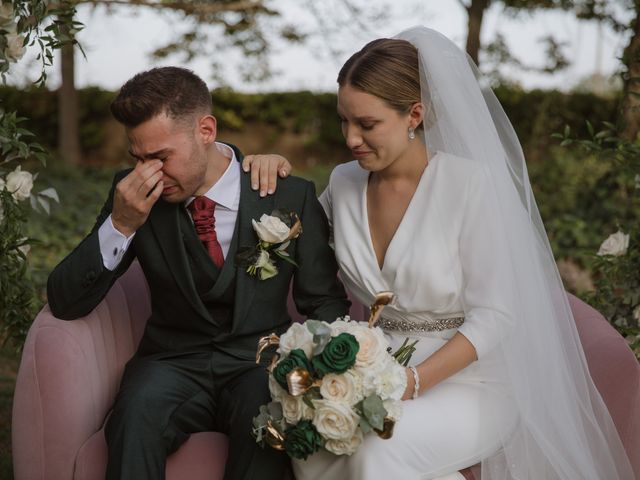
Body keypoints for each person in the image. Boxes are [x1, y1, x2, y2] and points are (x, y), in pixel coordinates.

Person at [244, 27, 635, 480]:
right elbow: (298, 239)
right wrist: (275, 175)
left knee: (376, 449)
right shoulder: (344, 184)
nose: (351, 138)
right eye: (343, 121)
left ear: (414, 115)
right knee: (312, 439)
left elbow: (497, 316)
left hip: (474, 383)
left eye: (367, 124)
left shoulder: (472, 186)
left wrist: (412, 382)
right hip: (373, 372)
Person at [46, 66, 350, 480]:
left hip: (258, 363)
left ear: (205, 130)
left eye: (159, 157)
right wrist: (120, 224)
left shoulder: (287, 194)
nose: (147, 172)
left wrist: (321, 370)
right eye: (137, 158)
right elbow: (65, 301)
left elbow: (322, 299)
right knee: (134, 418)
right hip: (170, 362)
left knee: (270, 418)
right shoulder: (130, 195)